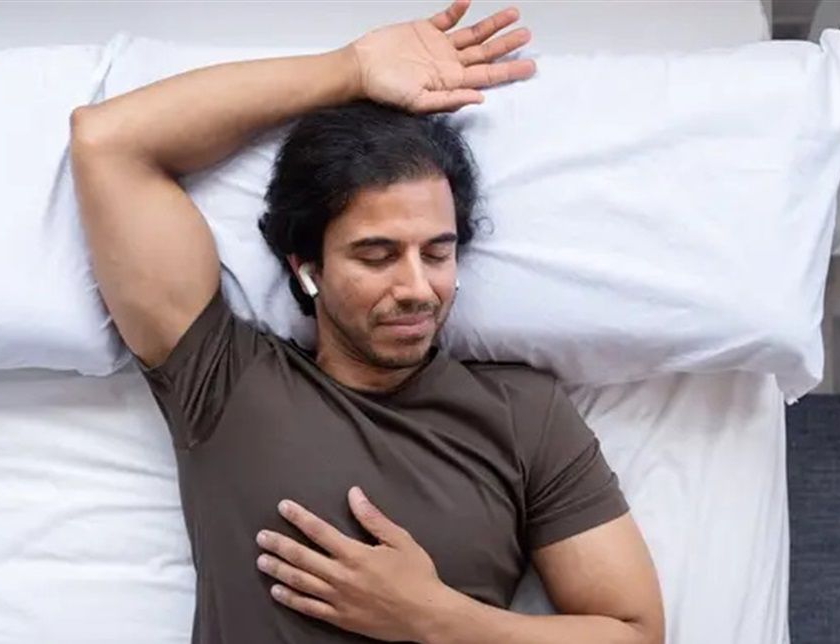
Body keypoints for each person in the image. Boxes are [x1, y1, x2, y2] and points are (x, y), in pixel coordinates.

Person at [69, 1, 663, 642]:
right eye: (376, 256)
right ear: (307, 266)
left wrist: (436, 618)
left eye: (437, 253)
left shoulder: (524, 416)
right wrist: (350, 69)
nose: (417, 290)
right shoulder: (222, 381)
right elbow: (110, 142)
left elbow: (635, 632)